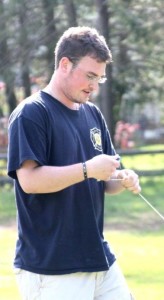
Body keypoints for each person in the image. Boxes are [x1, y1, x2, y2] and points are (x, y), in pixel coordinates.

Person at [7, 26, 141, 300]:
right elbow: (30, 182)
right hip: (52, 266)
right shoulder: (32, 113)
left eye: (100, 78)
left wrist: (123, 178)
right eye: (90, 75)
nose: (94, 85)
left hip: (98, 258)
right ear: (65, 64)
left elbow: (107, 182)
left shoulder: (93, 114)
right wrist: (87, 169)